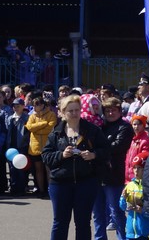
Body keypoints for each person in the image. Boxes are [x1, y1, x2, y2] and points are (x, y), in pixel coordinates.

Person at [42, 93, 109, 240]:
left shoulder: (92, 130)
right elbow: (46, 156)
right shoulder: (56, 132)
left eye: (77, 110)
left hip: (86, 182)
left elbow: (106, 150)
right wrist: (61, 155)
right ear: (63, 113)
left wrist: (94, 155)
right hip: (60, 183)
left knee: (83, 222)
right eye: (70, 111)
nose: (74, 114)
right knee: (60, 222)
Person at [94, 97, 131, 240]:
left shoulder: (125, 127)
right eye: (107, 111)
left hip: (114, 174)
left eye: (113, 110)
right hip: (97, 174)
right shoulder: (100, 126)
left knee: (116, 212)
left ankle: (123, 238)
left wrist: (98, 150)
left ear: (120, 111)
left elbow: (117, 147)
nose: (110, 113)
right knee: (98, 213)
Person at [26, 93, 57, 198]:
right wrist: (43, 124)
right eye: (34, 105)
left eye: (37, 105)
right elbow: (29, 127)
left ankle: (50, 190)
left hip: (47, 146)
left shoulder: (51, 114)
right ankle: (41, 190)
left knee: (48, 169)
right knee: (38, 169)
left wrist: (37, 129)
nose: (35, 107)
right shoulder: (32, 116)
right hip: (35, 147)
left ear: (43, 105)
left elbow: (50, 129)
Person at [6, 97, 30, 196]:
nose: (16, 108)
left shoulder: (26, 118)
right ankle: (13, 187)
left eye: (18, 106)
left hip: (22, 146)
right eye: (14, 106)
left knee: (22, 167)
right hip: (12, 147)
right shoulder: (10, 118)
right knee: (12, 168)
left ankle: (22, 187)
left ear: (23, 106)